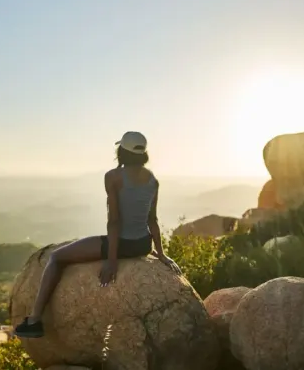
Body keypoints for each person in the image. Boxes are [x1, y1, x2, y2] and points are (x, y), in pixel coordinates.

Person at [14, 131, 182, 338]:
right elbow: (152, 220)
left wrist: (111, 261)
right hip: (143, 245)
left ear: (122, 151)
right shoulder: (153, 180)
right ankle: (34, 320)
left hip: (122, 244)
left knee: (56, 257)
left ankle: (34, 320)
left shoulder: (113, 177)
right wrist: (161, 254)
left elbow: (114, 221)